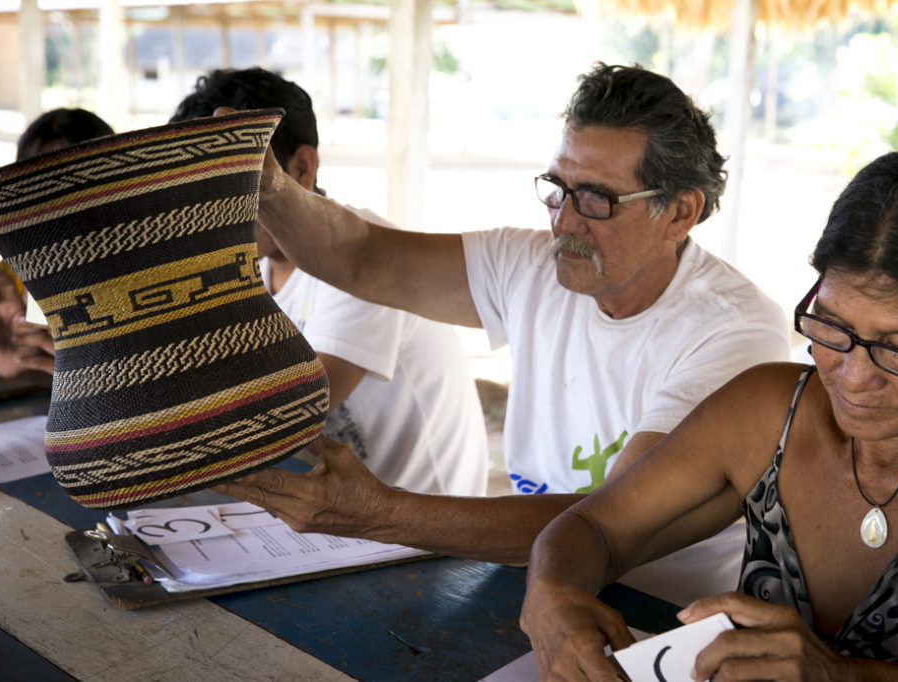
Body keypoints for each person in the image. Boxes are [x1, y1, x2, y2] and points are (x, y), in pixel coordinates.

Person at [213, 62, 790, 605]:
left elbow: (609, 522)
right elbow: (362, 256)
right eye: (558, 188)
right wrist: (267, 187)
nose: (564, 221)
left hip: (661, 620)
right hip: (532, 579)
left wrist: (382, 512)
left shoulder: (730, 332)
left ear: (681, 213)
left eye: (596, 199)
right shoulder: (532, 263)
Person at [519, 146, 898, 679]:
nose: (850, 377)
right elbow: (595, 527)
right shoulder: (769, 412)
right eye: (831, 326)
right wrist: (552, 591)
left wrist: (844, 676)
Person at [169, 67, 488, 496]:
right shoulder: (252, 268)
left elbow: (284, 415)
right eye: (195, 192)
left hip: (425, 535)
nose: (212, 215)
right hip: (342, 521)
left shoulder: (366, 261)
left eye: (232, 188)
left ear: (302, 167)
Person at [0, 108, 114, 379]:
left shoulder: (138, 264)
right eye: (38, 184)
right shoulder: (8, 282)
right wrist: (7, 355)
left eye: (73, 180)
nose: (57, 203)